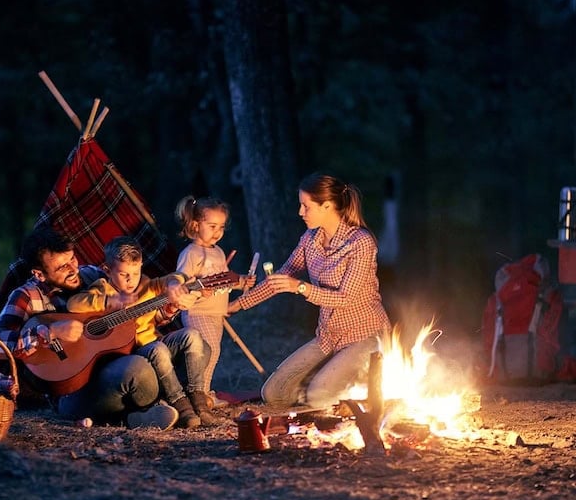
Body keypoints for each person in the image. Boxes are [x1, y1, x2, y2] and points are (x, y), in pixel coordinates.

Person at [0, 225, 195, 430]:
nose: (73, 269)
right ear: (39, 274)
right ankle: (133, 416)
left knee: (174, 348)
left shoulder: (93, 275)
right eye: (62, 267)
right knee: (138, 369)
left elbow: (136, 322)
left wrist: (170, 307)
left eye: (72, 259)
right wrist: (49, 333)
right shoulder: (26, 296)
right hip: (74, 391)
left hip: (118, 361)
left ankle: (143, 413)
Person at [227, 172, 392, 409]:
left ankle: (357, 392)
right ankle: (329, 385)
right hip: (328, 336)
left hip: (364, 336)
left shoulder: (360, 243)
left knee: (318, 396)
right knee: (274, 394)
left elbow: (345, 298)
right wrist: (237, 305)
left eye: (306, 206)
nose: (300, 212)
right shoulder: (310, 239)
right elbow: (281, 278)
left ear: (326, 206)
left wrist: (301, 288)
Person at [67, 236, 221, 427]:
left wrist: (174, 285)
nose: (131, 280)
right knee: (159, 349)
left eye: (136, 271)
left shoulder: (147, 285)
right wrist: (107, 302)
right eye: (124, 275)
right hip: (134, 354)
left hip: (154, 343)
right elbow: (73, 304)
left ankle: (198, 397)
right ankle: (180, 404)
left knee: (193, 335)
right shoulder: (102, 288)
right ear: (108, 270)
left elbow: (176, 277)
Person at [174, 195, 256, 406]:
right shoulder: (190, 253)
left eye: (221, 227)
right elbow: (179, 283)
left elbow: (224, 280)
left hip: (216, 313)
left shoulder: (219, 252)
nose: (217, 232)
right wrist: (199, 291)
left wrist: (241, 282)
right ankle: (199, 394)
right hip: (198, 312)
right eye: (212, 226)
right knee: (208, 351)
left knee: (210, 352)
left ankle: (202, 392)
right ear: (195, 224)